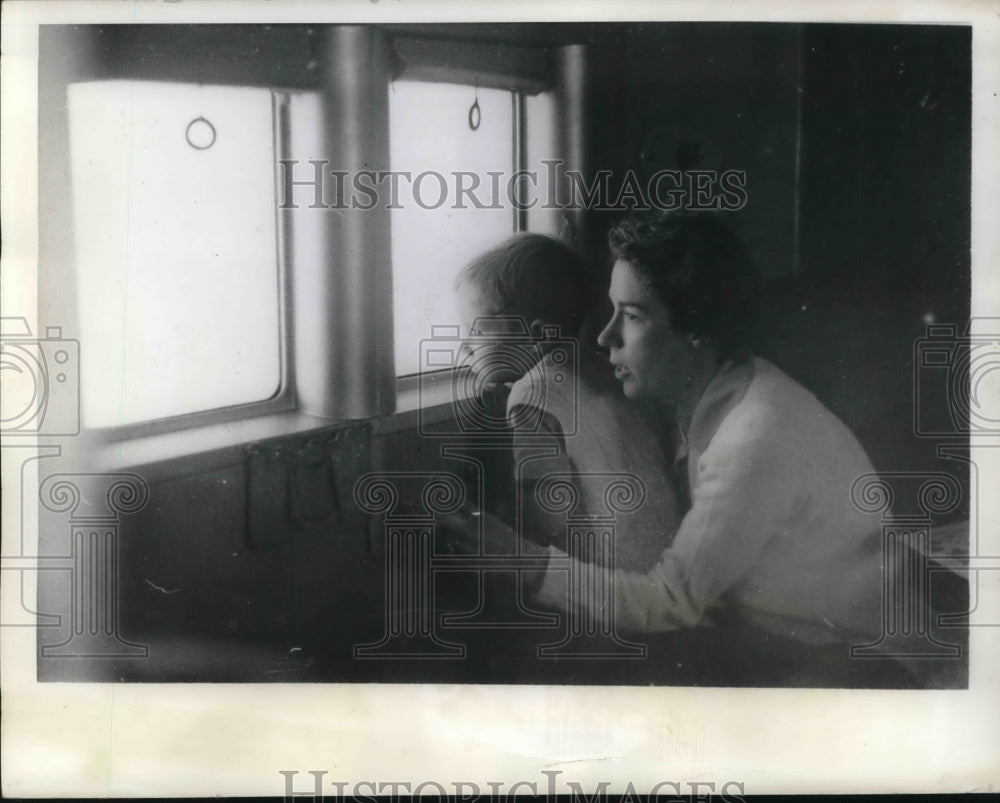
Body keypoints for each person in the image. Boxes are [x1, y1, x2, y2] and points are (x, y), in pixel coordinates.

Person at [443, 211, 916, 685]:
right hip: (773, 635)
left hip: (848, 661)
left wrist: (518, 559)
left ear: (698, 327)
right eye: (608, 312)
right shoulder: (715, 391)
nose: (604, 338)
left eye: (631, 316)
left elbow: (673, 601)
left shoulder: (755, 436)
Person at [454, 232, 683, 571]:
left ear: (536, 334)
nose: (465, 347)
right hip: (666, 558)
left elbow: (547, 519)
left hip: (609, 579)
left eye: (475, 331)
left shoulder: (531, 396)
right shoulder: (604, 368)